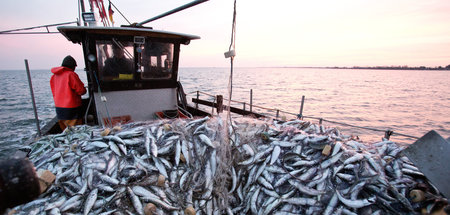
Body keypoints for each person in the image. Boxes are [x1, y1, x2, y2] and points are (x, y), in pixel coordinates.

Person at [50, 55, 87, 130]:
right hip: (72, 110)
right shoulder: (71, 74)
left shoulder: (54, 76)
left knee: (66, 133)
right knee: (76, 132)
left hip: (59, 110)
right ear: (73, 66)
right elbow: (81, 91)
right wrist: (84, 89)